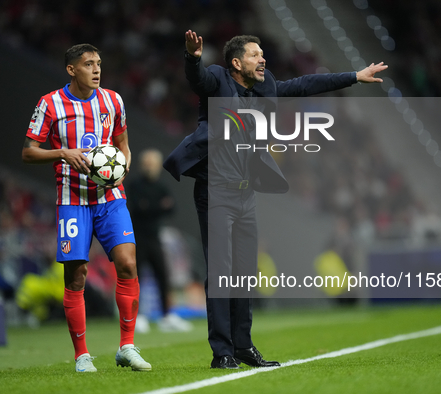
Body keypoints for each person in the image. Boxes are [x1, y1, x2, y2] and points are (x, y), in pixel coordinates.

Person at [163, 31, 387, 369]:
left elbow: (303, 85)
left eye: (262, 53)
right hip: (215, 191)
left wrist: (354, 76)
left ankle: (243, 346)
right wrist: (193, 58)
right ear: (237, 63)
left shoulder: (265, 87)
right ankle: (222, 351)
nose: (262, 59)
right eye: (255, 55)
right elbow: (198, 78)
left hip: (245, 193)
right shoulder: (218, 82)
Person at [22, 44, 151, 372]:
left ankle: (127, 346)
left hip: (110, 198)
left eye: (99, 64)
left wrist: (121, 167)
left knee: (127, 264)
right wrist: (63, 153)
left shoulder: (113, 100)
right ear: (71, 69)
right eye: (88, 64)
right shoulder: (50, 104)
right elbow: (29, 152)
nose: (96, 70)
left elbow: (123, 143)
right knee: (76, 275)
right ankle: (82, 354)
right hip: (72, 201)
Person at [126, 149, 193, 332]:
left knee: (162, 276)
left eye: (153, 164)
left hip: (155, 238)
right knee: (135, 278)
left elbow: (171, 208)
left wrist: (150, 206)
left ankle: (166, 315)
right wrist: (158, 206)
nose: (150, 167)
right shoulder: (135, 186)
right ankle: (136, 316)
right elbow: (139, 208)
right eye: (148, 163)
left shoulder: (161, 186)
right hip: (138, 237)